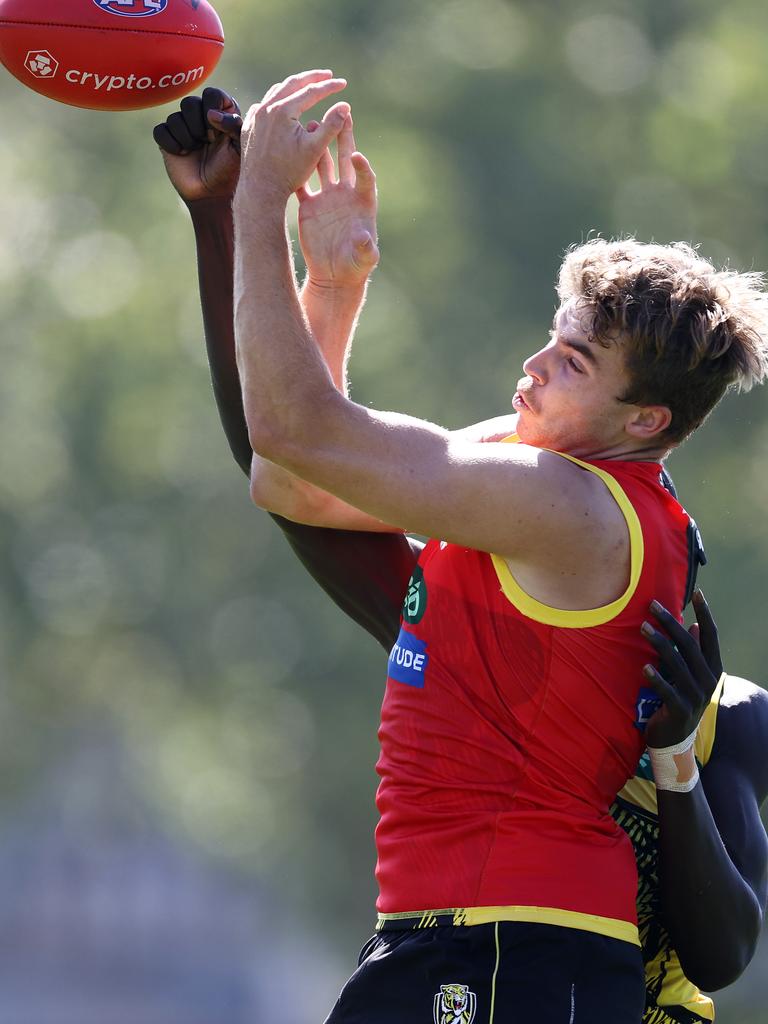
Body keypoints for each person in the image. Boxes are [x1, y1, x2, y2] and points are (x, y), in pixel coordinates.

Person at [154, 82, 768, 1023]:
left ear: (645, 421)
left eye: (572, 364)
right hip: (460, 940)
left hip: (514, 946)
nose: (533, 366)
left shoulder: (569, 502)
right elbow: (293, 479)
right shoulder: (544, 473)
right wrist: (334, 283)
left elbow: (295, 427)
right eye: (552, 341)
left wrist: (256, 207)